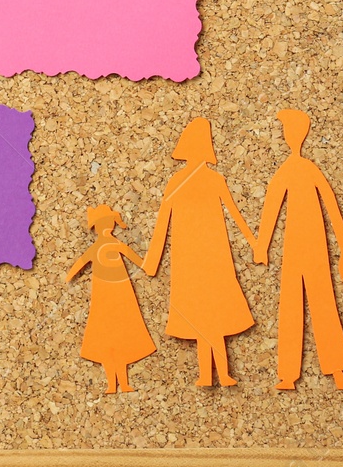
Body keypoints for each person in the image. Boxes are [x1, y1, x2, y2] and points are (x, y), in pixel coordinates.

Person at [142, 118, 258, 387]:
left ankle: (216, 374)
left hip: (204, 255)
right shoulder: (193, 180)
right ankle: (211, 374)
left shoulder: (185, 180)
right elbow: (165, 220)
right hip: (198, 255)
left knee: (208, 314)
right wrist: (254, 243)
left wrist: (255, 243)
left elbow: (233, 214)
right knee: (209, 315)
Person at [256, 108, 343, 390]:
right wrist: (262, 246)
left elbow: (330, 208)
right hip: (300, 245)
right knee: (303, 303)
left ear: (291, 136)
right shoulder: (298, 169)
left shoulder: (298, 169)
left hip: (311, 246)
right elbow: (272, 208)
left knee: (316, 302)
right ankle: (291, 375)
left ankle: (331, 373)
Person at [65, 204, 156, 394]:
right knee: (108, 338)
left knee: (119, 337)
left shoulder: (108, 245)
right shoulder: (102, 246)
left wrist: (146, 266)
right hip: (106, 297)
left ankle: (122, 383)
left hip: (120, 296)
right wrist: (69, 275)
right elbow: (81, 263)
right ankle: (112, 385)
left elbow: (133, 257)